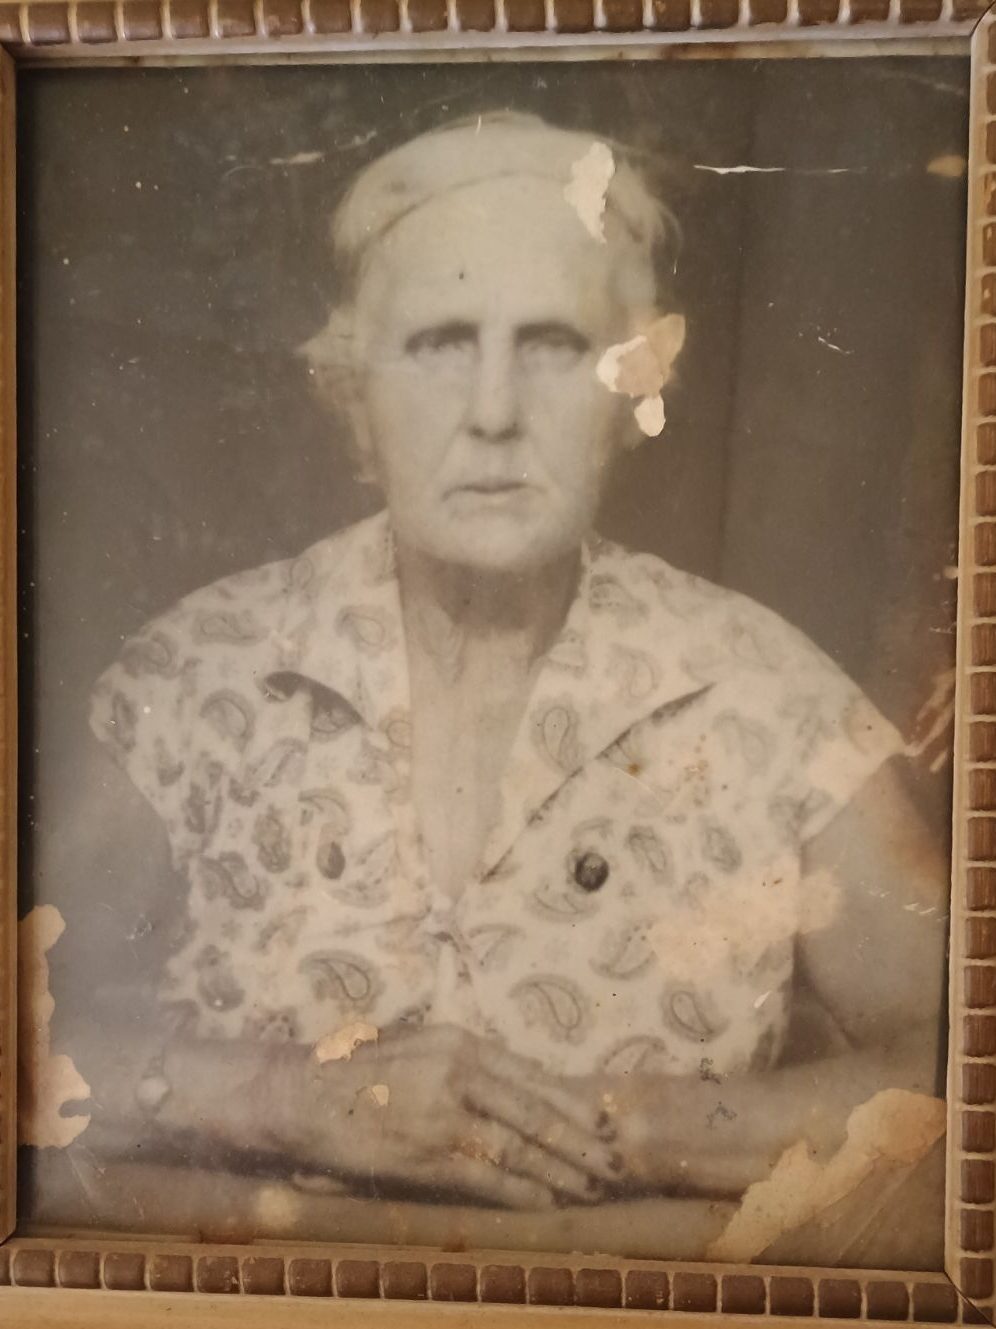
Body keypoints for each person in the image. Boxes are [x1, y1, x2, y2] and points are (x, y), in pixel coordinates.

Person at [53, 112, 947, 1218]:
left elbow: (963, 1059)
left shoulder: (768, 693)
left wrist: (640, 1122)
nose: (492, 415)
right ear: (352, 399)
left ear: (630, 394)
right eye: (438, 345)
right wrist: (283, 1096)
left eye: (553, 345)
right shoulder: (198, 678)